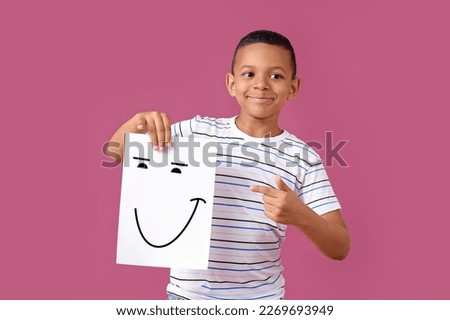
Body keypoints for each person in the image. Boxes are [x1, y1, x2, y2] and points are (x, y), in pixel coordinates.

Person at [108, 30, 350, 300]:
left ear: (292, 87)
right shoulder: (197, 132)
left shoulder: (302, 157)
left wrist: (300, 215)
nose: (261, 85)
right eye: (249, 74)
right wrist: (137, 124)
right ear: (231, 83)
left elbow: (340, 247)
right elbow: (114, 153)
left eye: (276, 76)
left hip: (262, 302)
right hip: (187, 299)